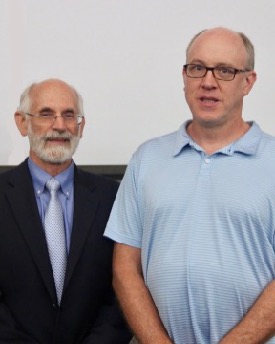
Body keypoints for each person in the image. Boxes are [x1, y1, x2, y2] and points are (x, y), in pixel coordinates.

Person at [104, 27, 275, 343]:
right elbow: (125, 269)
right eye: (197, 68)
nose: (208, 82)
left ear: (248, 81)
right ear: (184, 76)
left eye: (224, 71)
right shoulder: (147, 158)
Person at [0, 78, 132, 343]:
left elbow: (124, 291)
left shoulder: (113, 198)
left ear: (80, 126)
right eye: (46, 114)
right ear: (22, 122)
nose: (59, 126)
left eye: (69, 115)